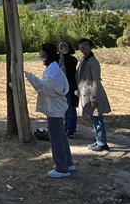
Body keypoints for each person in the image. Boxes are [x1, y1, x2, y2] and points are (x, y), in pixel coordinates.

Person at [25, 43, 74, 178]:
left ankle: (62, 168)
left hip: (55, 108)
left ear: (47, 53)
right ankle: (67, 163)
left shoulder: (53, 69)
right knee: (61, 136)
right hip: (55, 107)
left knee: (56, 137)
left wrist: (31, 77)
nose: (40, 53)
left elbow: (46, 88)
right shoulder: (53, 67)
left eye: (42, 50)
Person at [76, 38, 111, 152]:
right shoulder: (82, 60)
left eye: (85, 45)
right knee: (94, 118)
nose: (83, 47)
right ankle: (99, 140)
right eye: (81, 45)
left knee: (97, 118)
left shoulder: (93, 62)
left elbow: (96, 81)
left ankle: (102, 143)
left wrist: (94, 98)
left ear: (91, 47)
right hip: (85, 93)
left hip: (92, 93)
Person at [58, 40, 79, 138]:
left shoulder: (72, 59)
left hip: (70, 87)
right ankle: (65, 127)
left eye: (65, 46)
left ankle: (71, 129)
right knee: (63, 109)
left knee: (70, 108)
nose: (62, 47)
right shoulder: (57, 59)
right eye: (60, 46)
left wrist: (66, 55)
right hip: (59, 88)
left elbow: (70, 67)